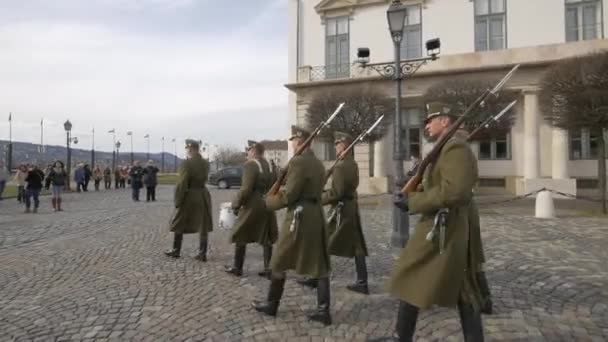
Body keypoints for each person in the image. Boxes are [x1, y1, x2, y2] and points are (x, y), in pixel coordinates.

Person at [377, 102, 484, 342]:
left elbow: (455, 192)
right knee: (458, 288)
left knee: (414, 274)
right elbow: (437, 185)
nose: (426, 125)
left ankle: (400, 337)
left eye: (431, 120)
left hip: (445, 228)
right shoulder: (444, 148)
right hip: (441, 226)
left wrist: (414, 202)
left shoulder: (455, 149)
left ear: (445, 121)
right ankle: (401, 336)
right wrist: (414, 191)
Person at [251, 126, 332, 326]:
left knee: (278, 260)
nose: (293, 143)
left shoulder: (298, 162)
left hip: (299, 217)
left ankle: (272, 305)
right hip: (315, 215)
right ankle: (324, 311)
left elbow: (290, 196)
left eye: (295, 140)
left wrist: (269, 202)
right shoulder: (318, 164)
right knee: (319, 264)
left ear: (301, 141)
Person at [224, 140, 278, 278]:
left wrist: (235, 205)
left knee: (239, 232)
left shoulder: (251, 165)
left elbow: (246, 189)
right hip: (268, 202)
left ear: (253, 151)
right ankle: (268, 268)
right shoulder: (269, 165)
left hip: (253, 204)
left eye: (248, 150)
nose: (247, 153)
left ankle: (238, 267)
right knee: (266, 236)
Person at [165, 139, 213, 262]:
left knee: (179, 222)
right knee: (203, 225)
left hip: (189, 195)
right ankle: (202, 253)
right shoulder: (205, 163)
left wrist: (178, 200)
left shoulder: (186, 164)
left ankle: (176, 250)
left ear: (190, 149)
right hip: (202, 194)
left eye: (187, 149)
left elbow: (182, 183)